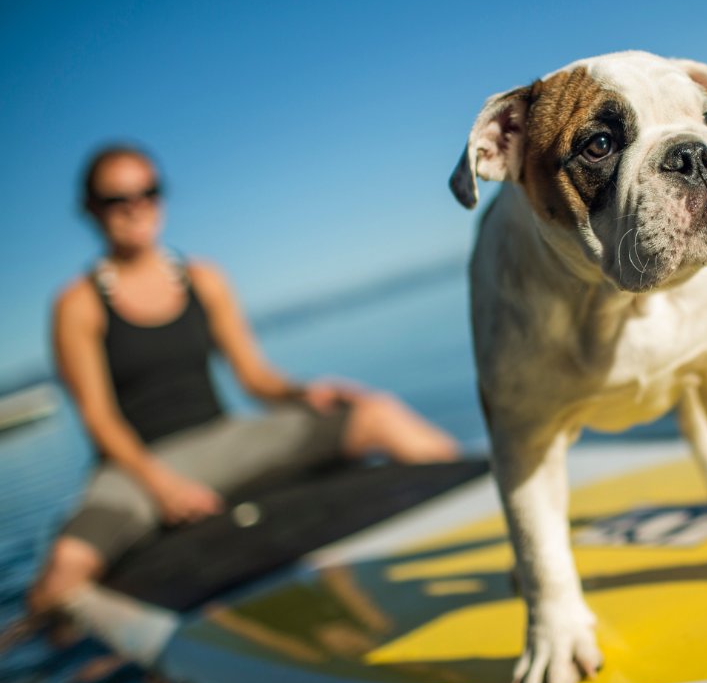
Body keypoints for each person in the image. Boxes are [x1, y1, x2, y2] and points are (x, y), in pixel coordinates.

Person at [28, 144, 459, 618]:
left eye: (149, 192)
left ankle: (483, 506)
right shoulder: (78, 304)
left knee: (377, 413)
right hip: (136, 465)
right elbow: (99, 419)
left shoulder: (203, 278)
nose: (137, 207)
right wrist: (162, 486)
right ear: (91, 210)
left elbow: (254, 378)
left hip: (222, 441)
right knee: (64, 570)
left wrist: (306, 391)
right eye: (118, 198)